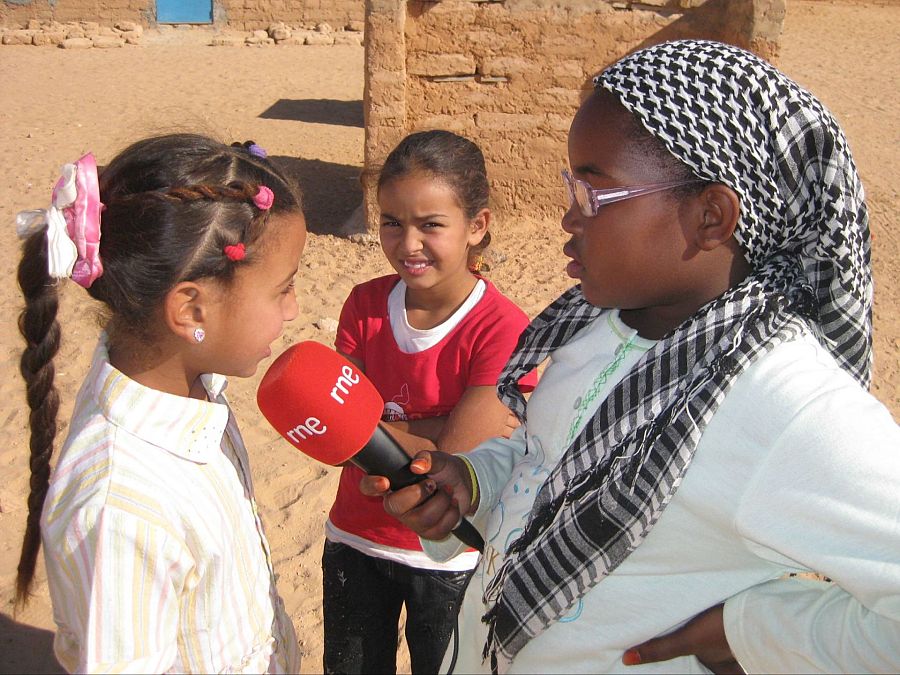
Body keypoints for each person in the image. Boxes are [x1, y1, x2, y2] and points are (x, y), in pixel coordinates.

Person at [362, 40, 900, 673]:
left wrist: (758, 630)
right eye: (571, 187)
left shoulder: (783, 403)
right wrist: (473, 482)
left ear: (710, 216)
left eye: (595, 194)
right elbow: (548, 456)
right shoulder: (597, 329)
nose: (567, 217)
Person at [15, 134, 306, 673]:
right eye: (282, 289)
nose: (293, 309)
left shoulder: (194, 387)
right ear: (191, 310)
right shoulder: (121, 507)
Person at [323, 130, 537, 674]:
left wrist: (368, 429)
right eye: (392, 222)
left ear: (477, 226)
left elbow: (457, 458)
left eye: (431, 225)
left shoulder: (503, 329)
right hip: (355, 538)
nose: (408, 243)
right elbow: (331, 428)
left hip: (451, 555)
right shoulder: (365, 304)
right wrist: (432, 426)